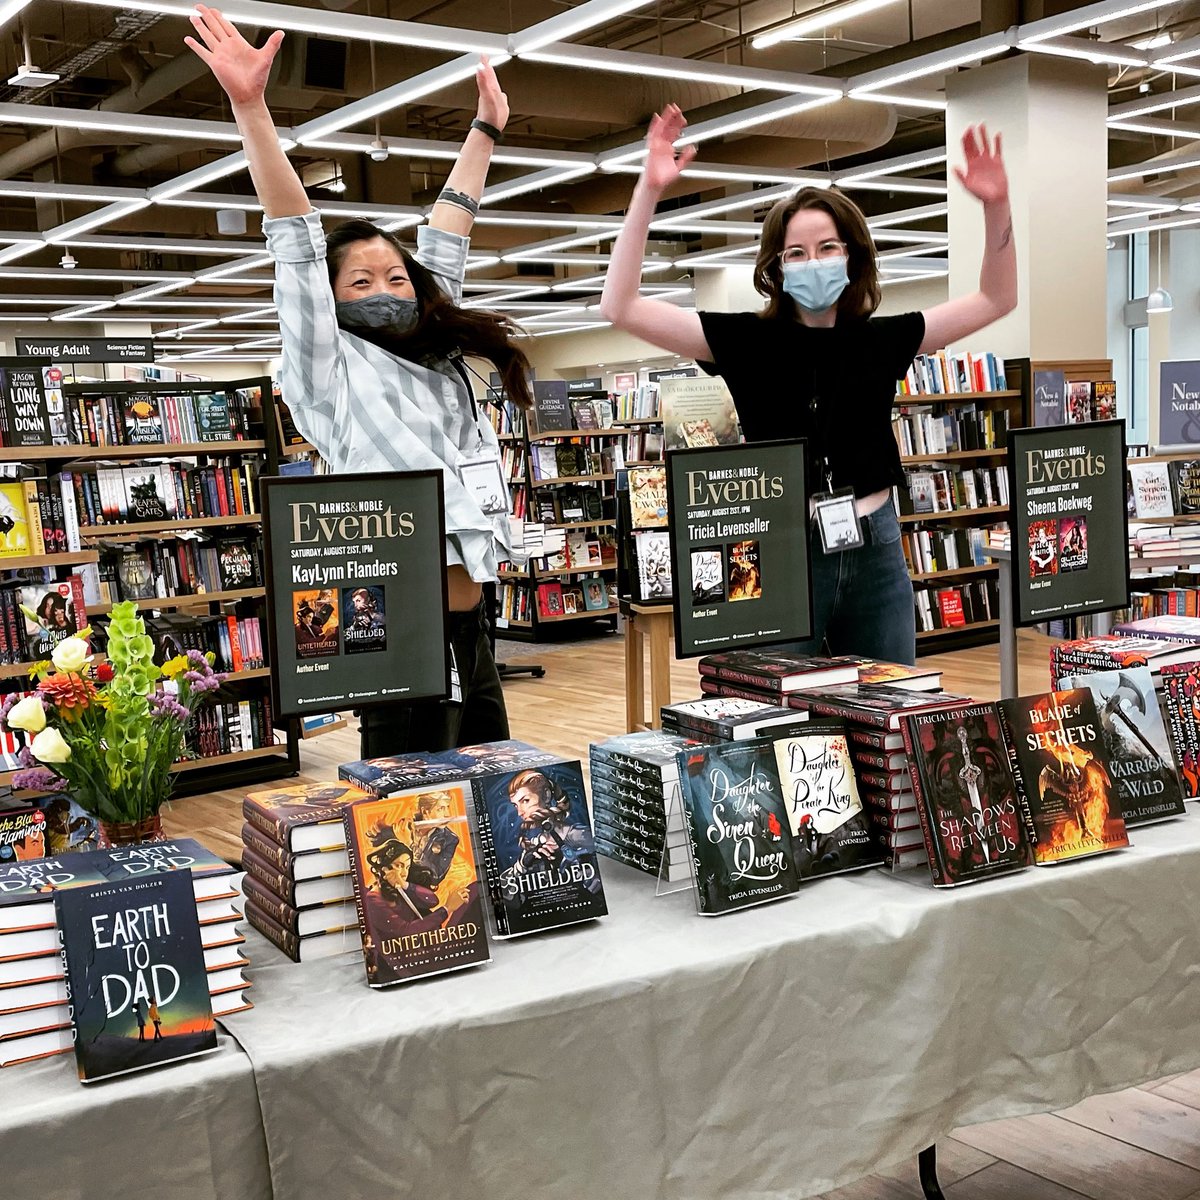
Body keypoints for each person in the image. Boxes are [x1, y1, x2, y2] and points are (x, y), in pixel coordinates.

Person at [186, 6, 531, 755]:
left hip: (471, 624)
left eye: (396, 276)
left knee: (493, 778)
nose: (388, 288)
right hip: (397, 632)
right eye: (361, 279)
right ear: (332, 300)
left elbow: (447, 237)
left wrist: (485, 130)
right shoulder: (328, 373)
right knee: (411, 807)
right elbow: (295, 244)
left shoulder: (434, 353)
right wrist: (251, 107)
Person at [599, 105, 1017, 665]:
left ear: (852, 256)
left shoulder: (882, 339)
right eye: (796, 252)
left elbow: (998, 298)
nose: (812, 262)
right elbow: (619, 305)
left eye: (826, 248)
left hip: (877, 547)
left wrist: (996, 205)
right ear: (777, 266)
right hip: (780, 550)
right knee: (777, 719)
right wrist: (649, 191)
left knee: (889, 711)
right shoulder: (745, 341)